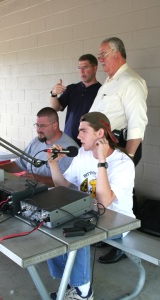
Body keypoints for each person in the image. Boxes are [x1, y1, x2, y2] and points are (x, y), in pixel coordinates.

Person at [47, 112, 135, 300]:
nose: (78, 136)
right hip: (88, 215)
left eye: (83, 131)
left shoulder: (123, 163)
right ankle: (70, 283)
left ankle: (83, 293)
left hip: (118, 221)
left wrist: (101, 161)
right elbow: (63, 187)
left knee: (79, 231)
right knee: (51, 222)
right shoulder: (82, 154)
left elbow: (104, 203)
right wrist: (54, 165)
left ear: (100, 133)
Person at [89, 37, 148, 263]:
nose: (100, 59)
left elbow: (137, 125)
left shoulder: (131, 81)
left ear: (117, 53)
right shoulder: (110, 81)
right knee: (105, 194)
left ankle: (122, 245)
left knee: (120, 197)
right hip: (105, 149)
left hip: (122, 148)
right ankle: (107, 235)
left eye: (103, 54)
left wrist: (129, 159)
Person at [0, 107, 79, 187]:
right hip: (32, 191)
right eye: (37, 125)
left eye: (42, 126)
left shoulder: (68, 149)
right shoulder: (36, 141)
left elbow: (66, 183)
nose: (38, 130)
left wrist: (38, 179)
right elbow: (20, 164)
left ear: (55, 125)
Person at [50, 54, 101, 145]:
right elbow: (56, 108)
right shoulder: (72, 88)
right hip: (69, 140)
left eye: (85, 67)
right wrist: (53, 94)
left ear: (95, 68)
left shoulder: (101, 91)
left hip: (89, 142)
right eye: (79, 68)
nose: (81, 71)